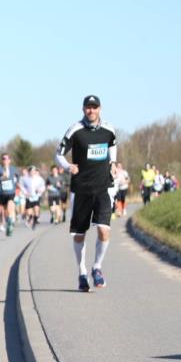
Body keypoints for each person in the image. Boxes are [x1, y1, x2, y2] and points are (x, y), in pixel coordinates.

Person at [55, 94, 117, 292]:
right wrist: (67, 166)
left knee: (104, 230)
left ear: (100, 109)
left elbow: (113, 145)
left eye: (95, 107)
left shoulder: (108, 129)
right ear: (83, 109)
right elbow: (58, 154)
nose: (91, 111)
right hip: (81, 189)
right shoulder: (75, 130)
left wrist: (113, 163)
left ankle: (97, 268)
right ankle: (82, 272)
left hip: (102, 187)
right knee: (79, 234)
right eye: (88, 107)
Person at [0, 153, 20, 236]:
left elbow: (18, 177)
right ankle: (8, 223)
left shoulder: (13, 169)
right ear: (2, 160)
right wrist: (1, 178)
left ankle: (11, 220)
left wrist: (17, 183)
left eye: (7, 158)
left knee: (10, 206)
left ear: (9, 160)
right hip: (2, 193)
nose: (5, 160)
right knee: (6, 211)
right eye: (3, 158)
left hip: (11, 192)